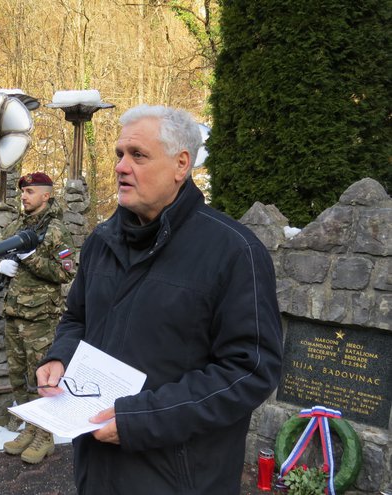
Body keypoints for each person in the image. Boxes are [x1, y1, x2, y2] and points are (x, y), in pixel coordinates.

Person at [36, 105, 283, 494]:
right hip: (97, 468)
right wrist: (60, 356)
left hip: (179, 477)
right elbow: (77, 318)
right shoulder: (102, 241)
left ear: (180, 164)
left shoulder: (234, 252)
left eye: (138, 155)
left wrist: (144, 418)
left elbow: (249, 370)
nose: (120, 166)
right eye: (119, 154)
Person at [0, 172, 75, 464]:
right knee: (19, 378)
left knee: (41, 379)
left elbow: (67, 271)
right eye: (23, 191)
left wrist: (31, 258)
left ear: (46, 195)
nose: (24, 196)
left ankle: (46, 435)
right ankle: (31, 426)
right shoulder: (16, 225)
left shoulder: (57, 230)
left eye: (30, 191)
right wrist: (0, 264)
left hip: (41, 316)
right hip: (14, 312)